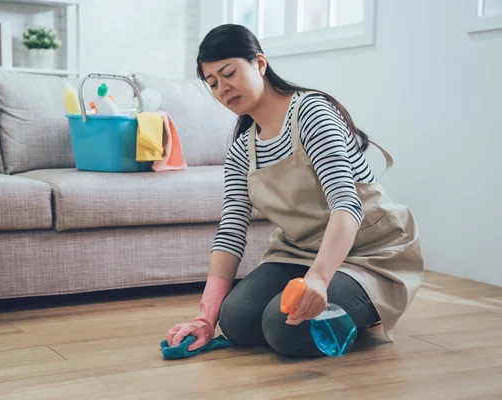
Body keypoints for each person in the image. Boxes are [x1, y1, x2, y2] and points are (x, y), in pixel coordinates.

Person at [165, 24, 424, 358]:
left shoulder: (311, 112)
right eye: (212, 83)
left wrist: (318, 279)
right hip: (300, 252)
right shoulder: (242, 150)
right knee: (235, 320)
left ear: (259, 63)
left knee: (281, 328)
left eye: (228, 73)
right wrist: (204, 318)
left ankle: (360, 310)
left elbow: (347, 203)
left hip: (370, 253)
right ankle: (331, 302)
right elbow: (230, 230)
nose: (222, 89)